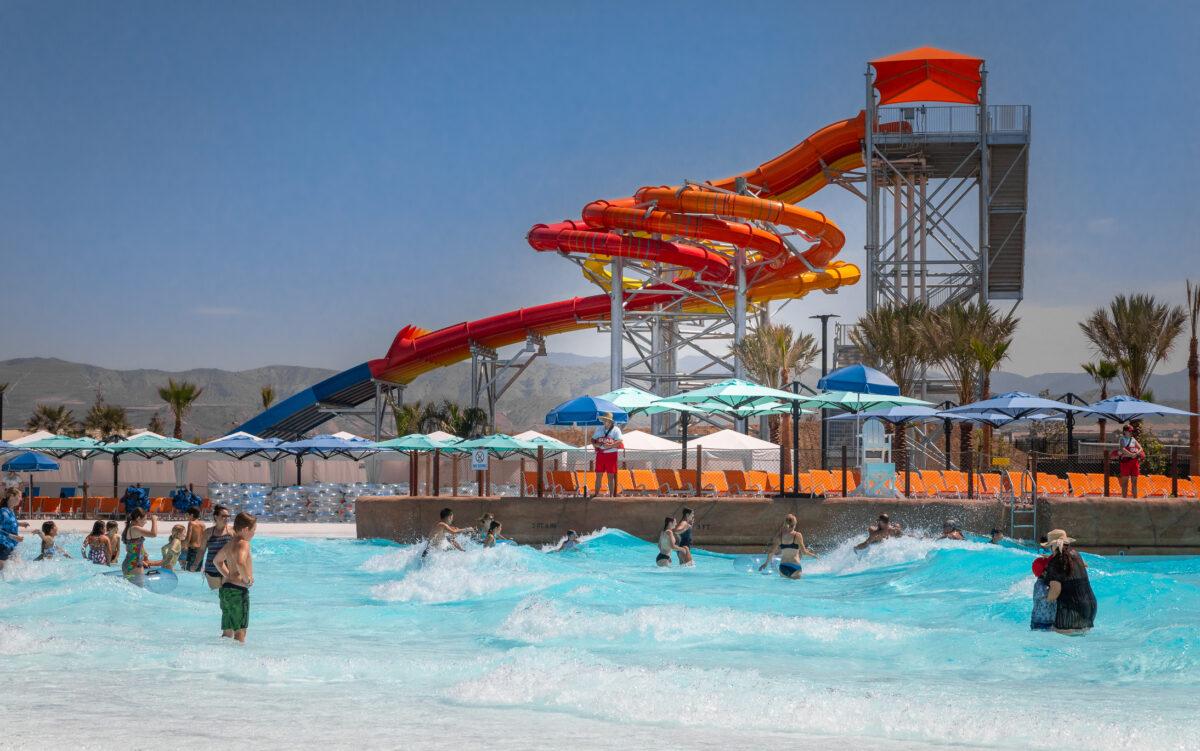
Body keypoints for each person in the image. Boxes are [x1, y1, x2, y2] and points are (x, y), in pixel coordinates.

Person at [1041, 528, 1097, 635]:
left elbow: (1055, 591)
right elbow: (1071, 564)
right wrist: (1051, 558)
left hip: (1070, 615)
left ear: (1054, 545)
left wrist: (1044, 601)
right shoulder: (1076, 554)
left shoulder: (1055, 563)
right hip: (1090, 609)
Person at [213, 512, 257, 643]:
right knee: (240, 631)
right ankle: (239, 660)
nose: (254, 534)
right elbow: (240, 562)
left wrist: (228, 575)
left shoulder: (230, 543)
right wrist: (247, 579)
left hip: (225, 590)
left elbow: (217, 561)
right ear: (245, 529)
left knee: (227, 631)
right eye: (253, 530)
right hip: (238, 592)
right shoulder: (243, 543)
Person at [759, 514, 817, 579]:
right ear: (795, 524)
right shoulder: (797, 535)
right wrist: (814, 555)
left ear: (785, 524)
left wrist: (766, 564)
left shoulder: (779, 537)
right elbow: (804, 552)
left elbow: (771, 552)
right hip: (795, 566)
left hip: (783, 567)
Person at [121, 508, 158, 582]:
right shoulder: (135, 528)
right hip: (135, 566)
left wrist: (142, 561)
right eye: (145, 519)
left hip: (128, 563)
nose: (146, 522)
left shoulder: (129, 528)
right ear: (138, 518)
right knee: (138, 589)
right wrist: (154, 520)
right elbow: (153, 534)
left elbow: (130, 549)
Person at [591, 412, 623, 497]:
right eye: (604, 420)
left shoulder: (616, 430)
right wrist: (596, 445)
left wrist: (610, 445)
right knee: (598, 475)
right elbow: (593, 439)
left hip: (611, 455)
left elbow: (619, 441)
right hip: (600, 455)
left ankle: (611, 496)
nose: (604, 421)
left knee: (610, 476)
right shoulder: (599, 429)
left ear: (610, 421)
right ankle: (596, 494)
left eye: (606, 420)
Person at [202, 505, 234, 590]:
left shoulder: (232, 531)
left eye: (228, 516)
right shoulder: (208, 532)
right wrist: (196, 564)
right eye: (223, 516)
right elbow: (202, 550)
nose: (226, 518)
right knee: (215, 595)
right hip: (211, 568)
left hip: (228, 568)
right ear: (215, 517)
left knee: (226, 595)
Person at [1030, 537, 1057, 631]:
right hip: (1040, 623)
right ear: (1044, 572)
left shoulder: (1045, 582)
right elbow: (1051, 596)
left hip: (1046, 621)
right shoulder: (1041, 585)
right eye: (1048, 568)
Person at [0, 489, 29, 571]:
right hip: (3, 545)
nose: (21, 499)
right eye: (19, 496)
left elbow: (8, 522)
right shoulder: (2, 511)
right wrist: (12, 536)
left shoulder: (11, 510)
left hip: (11, 545)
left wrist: (20, 523)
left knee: (18, 569)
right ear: (11, 496)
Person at [1113, 424, 1144, 498]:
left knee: (1134, 482)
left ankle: (1135, 500)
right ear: (1124, 431)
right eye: (1129, 431)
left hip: (1134, 463)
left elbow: (1141, 448)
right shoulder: (1122, 439)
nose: (1130, 433)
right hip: (1125, 463)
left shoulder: (1133, 439)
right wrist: (1131, 454)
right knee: (1125, 483)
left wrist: (1136, 453)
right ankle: (1124, 500)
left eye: (1131, 431)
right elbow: (1123, 449)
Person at [183, 506, 206, 572]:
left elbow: (188, 538)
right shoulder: (202, 524)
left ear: (192, 515)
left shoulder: (191, 523)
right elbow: (204, 538)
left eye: (187, 515)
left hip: (193, 549)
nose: (186, 516)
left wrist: (183, 546)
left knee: (189, 570)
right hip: (201, 550)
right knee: (197, 570)